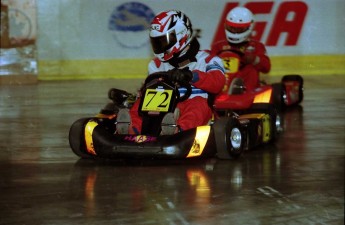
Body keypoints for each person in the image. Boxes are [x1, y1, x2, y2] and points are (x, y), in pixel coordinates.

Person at [117, 10, 225, 135]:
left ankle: (177, 132)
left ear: (181, 35)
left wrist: (191, 76)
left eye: (164, 41)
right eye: (157, 42)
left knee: (197, 105)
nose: (160, 46)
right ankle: (131, 130)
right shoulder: (156, 65)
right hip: (163, 108)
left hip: (196, 107)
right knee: (142, 102)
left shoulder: (208, 59)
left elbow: (218, 82)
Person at [211, 6, 271, 93]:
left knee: (250, 69)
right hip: (221, 79)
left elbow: (266, 68)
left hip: (244, 83)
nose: (234, 31)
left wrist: (254, 59)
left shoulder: (256, 46)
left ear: (250, 27)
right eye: (232, 28)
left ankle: (246, 94)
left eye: (238, 29)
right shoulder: (218, 46)